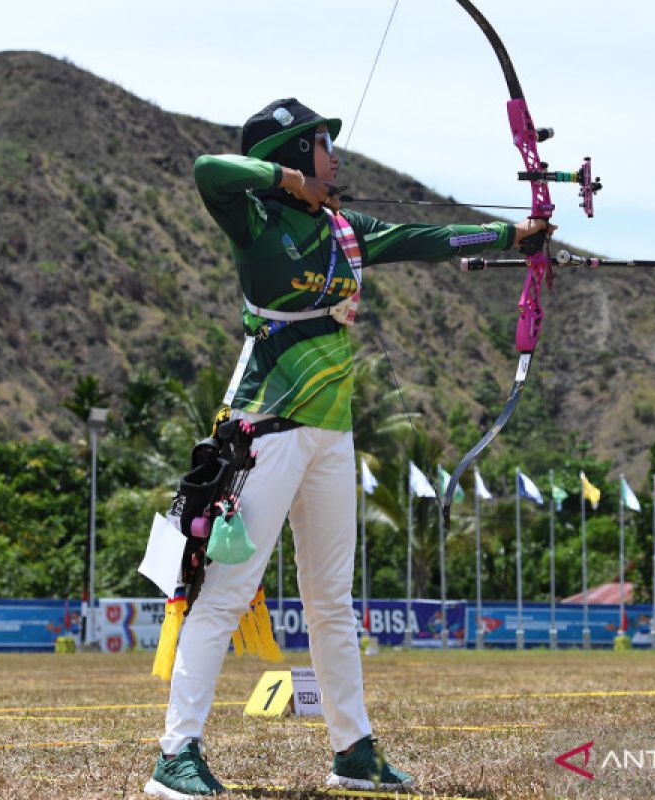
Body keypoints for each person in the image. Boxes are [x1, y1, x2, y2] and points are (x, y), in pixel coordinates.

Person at [144, 98, 554, 799]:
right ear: (297, 153)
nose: (335, 156)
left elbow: (426, 237)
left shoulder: (345, 230)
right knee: (225, 593)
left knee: (332, 598)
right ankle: (175, 756)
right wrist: (284, 184)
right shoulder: (257, 219)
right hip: (263, 430)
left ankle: (353, 751)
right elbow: (208, 168)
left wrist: (514, 235)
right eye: (324, 146)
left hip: (332, 433)